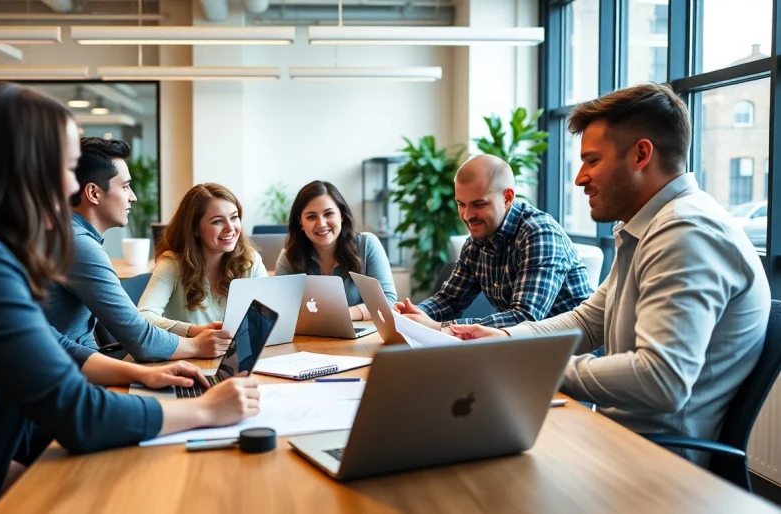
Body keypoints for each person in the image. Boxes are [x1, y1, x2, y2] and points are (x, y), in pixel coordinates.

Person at [0, 82, 259, 512]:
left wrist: (141, 375)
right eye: (67, 167)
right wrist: (206, 411)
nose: (71, 185)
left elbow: (42, 340)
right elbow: (78, 413)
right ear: (24, 168)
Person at [446, 83, 770, 466]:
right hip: (617, 439)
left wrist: (523, 363)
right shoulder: (648, 228)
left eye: (592, 160)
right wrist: (502, 340)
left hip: (658, 466)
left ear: (641, 154)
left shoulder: (687, 233)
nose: (580, 178)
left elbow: (660, 379)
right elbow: (588, 320)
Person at [44, 137, 230, 362]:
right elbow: (141, 340)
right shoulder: (79, 245)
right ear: (94, 193)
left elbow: (82, 336)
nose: (133, 197)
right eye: (125, 186)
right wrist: (197, 346)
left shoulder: (69, 235)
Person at [395, 154, 593, 329]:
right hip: (524, 351)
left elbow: (525, 319)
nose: (467, 215)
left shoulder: (538, 233)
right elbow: (449, 300)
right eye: (461, 204)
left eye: (479, 204)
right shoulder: (476, 242)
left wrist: (441, 327)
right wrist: (413, 315)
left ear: (507, 197)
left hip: (574, 355)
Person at [138, 183, 268, 332]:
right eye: (218, 221)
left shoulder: (250, 260)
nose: (230, 228)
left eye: (234, 217)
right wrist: (195, 332)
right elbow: (144, 317)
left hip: (238, 353)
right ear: (195, 229)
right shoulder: (172, 263)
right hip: (189, 354)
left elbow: (270, 312)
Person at [275, 181, 396, 321]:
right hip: (309, 339)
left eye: (328, 214)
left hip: (362, 339)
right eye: (311, 217)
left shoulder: (367, 244)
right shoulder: (289, 256)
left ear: (342, 215)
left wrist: (343, 315)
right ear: (300, 222)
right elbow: (279, 307)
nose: (321, 224)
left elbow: (388, 301)